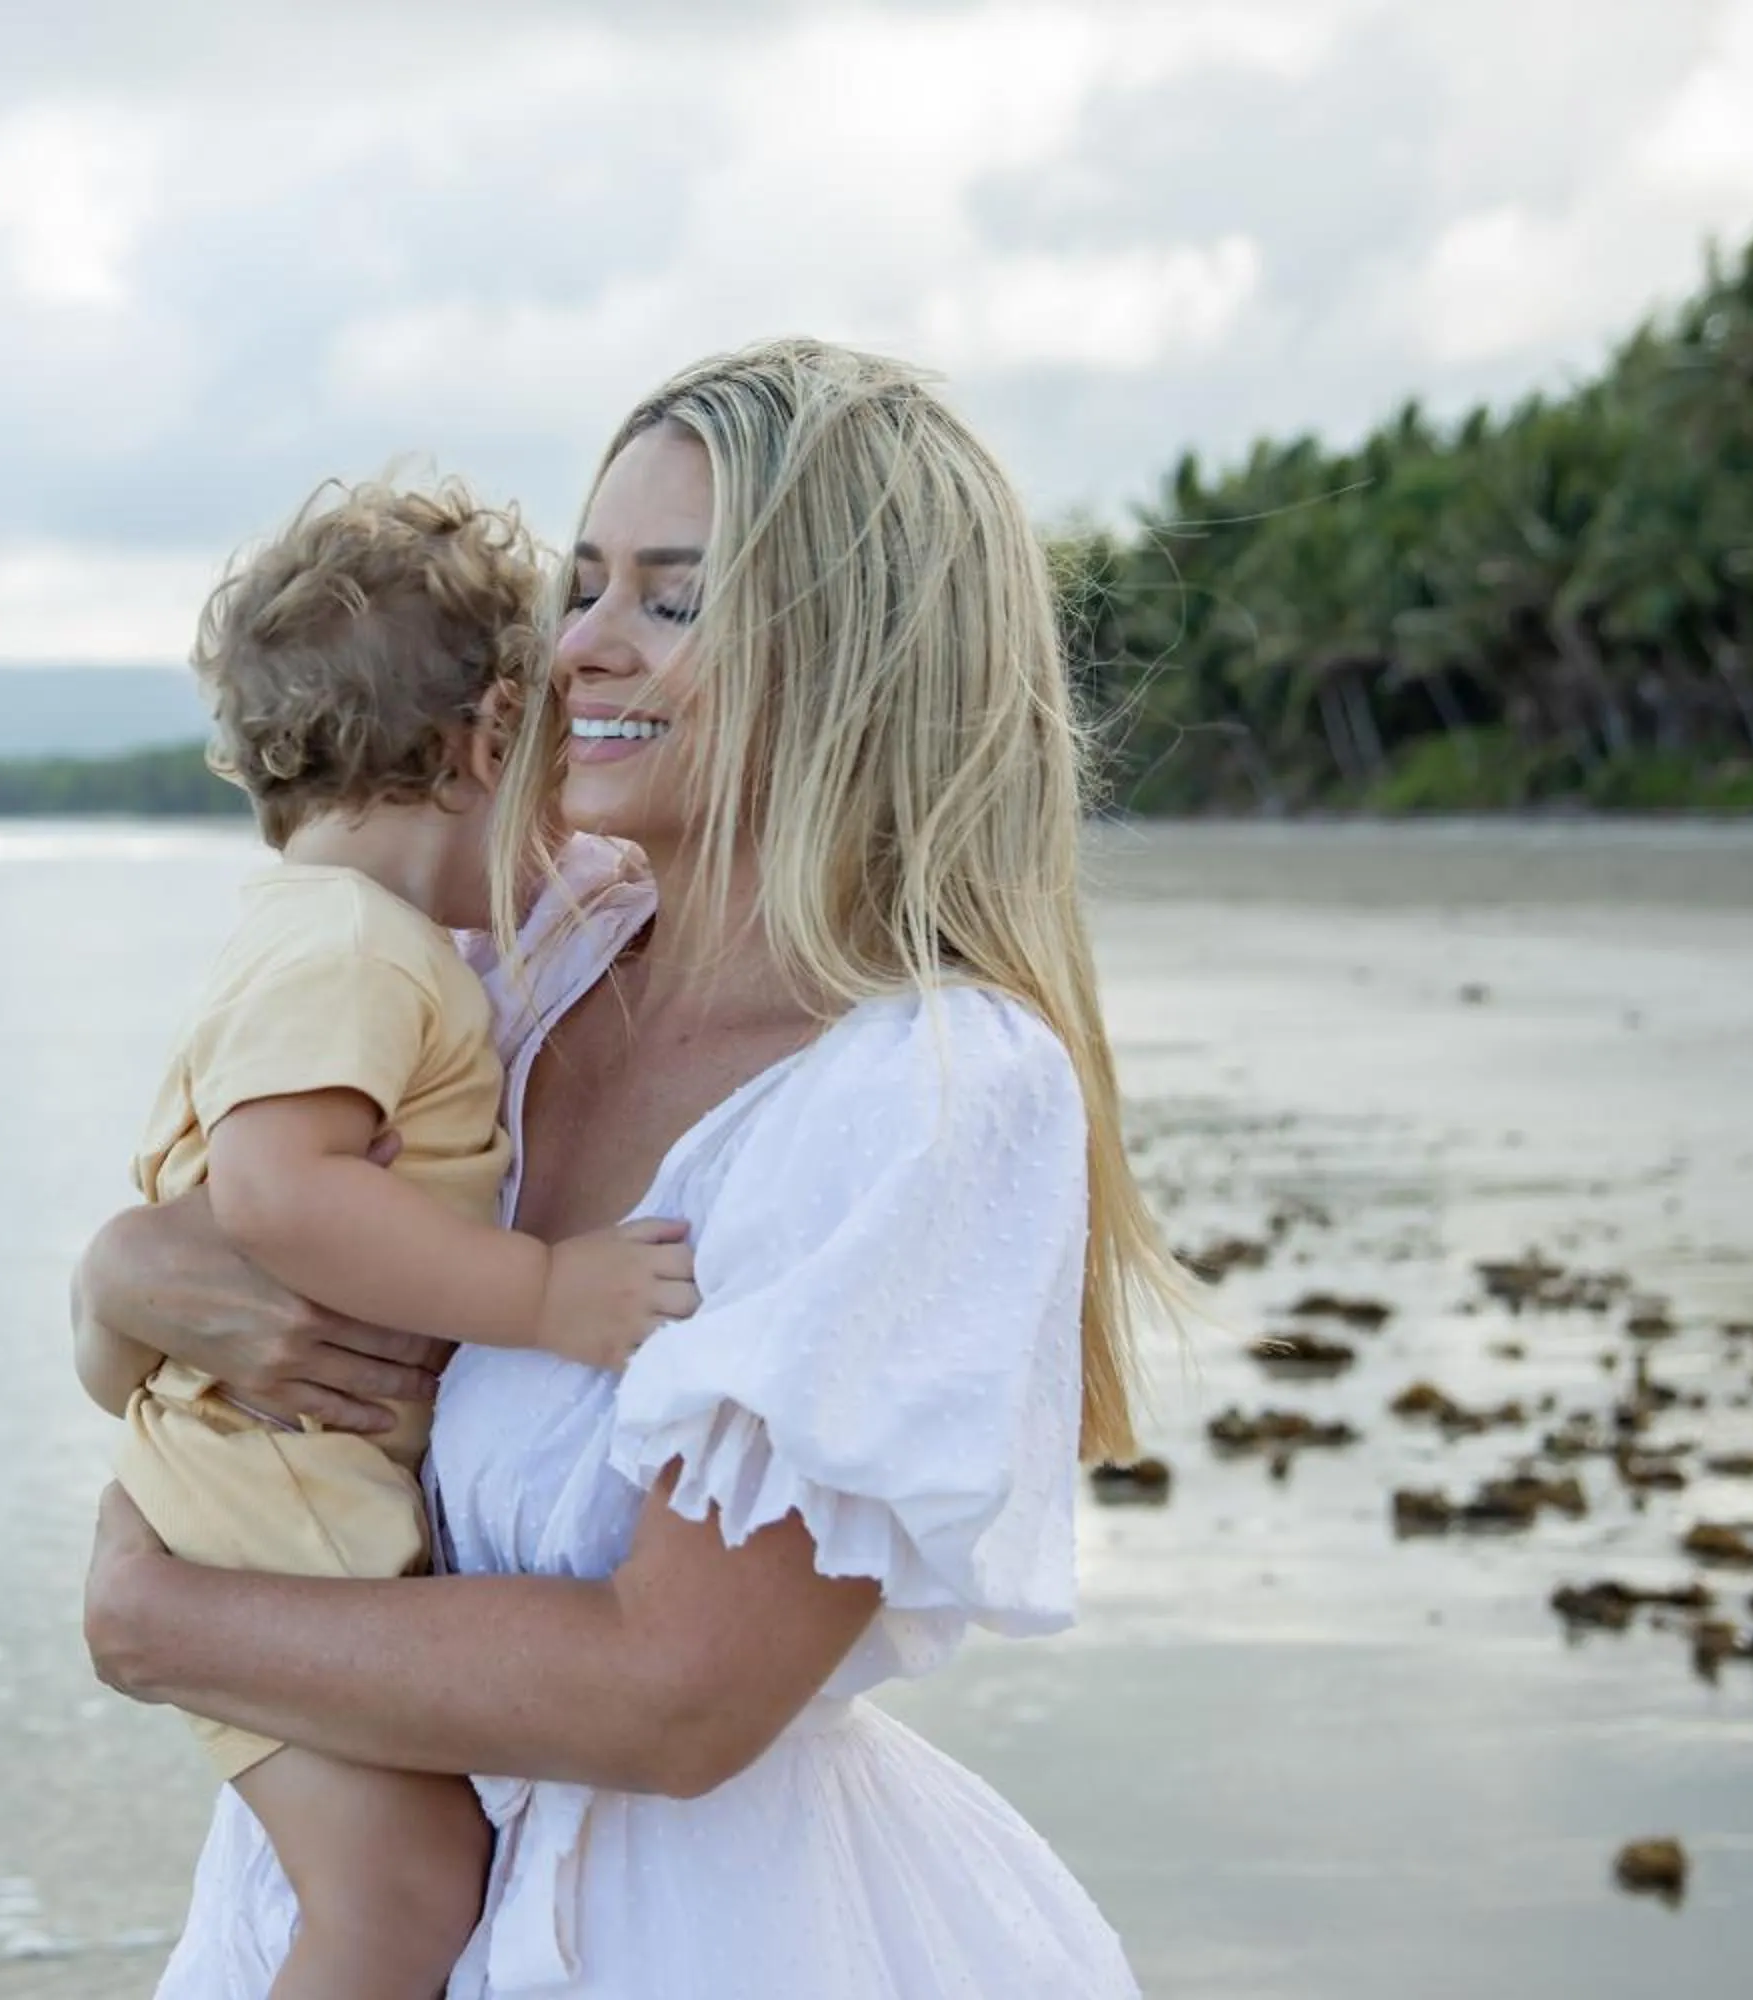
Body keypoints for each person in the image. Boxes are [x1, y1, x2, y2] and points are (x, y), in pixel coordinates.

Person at [76, 338, 1179, 1996]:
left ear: (858, 657)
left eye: (673, 599)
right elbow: (225, 1276)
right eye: (583, 585)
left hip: (688, 1935)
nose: (579, 645)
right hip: (340, 1897)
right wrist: (115, 1277)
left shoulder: (927, 1087)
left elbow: (679, 1696)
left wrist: (167, 1629)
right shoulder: (524, 963)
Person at [101, 477, 702, 2000]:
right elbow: (276, 1194)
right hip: (276, 1477)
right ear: (492, 740)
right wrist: (545, 1293)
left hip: (272, 1465)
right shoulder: (354, 949)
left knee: (401, 1879)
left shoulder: (350, 932)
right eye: (551, 768)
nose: (563, 828)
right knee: (404, 1892)